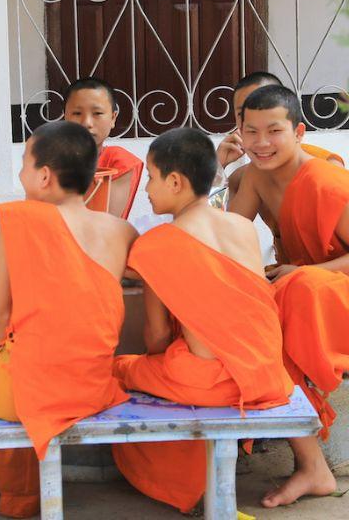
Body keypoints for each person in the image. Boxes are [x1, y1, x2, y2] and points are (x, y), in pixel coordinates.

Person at [108, 127, 292, 513]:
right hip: (267, 374)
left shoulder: (157, 245)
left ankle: (178, 486)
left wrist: (155, 358)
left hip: (212, 382)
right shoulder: (243, 228)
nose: (146, 190)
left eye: (152, 179)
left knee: (119, 370)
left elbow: (156, 337)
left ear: (175, 181)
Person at [0, 121, 136, 518]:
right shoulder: (121, 230)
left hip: (29, 389)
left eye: (23, 162)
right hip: (92, 385)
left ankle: (18, 494)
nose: (20, 172)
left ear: (42, 175)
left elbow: (1, 316)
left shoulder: (19, 221)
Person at [221, 84, 349, 507]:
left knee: (295, 289)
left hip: (328, 290)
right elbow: (224, 241)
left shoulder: (327, 180)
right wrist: (217, 171)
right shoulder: (255, 177)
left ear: (299, 132)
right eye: (251, 131)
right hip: (302, 289)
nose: (261, 143)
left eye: (273, 131)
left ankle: (311, 466)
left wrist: (304, 272)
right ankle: (311, 466)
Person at [62, 77, 143, 219]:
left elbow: (106, 221)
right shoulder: (50, 159)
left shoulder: (118, 161)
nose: (87, 123)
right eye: (77, 113)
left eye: (97, 113)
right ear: (65, 117)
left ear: (113, 118)